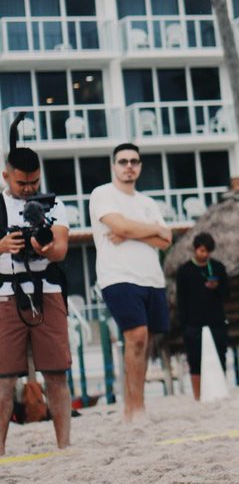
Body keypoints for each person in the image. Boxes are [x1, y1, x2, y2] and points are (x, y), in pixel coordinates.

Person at [89, 143, 172, 422]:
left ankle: (134, 406)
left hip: (151, 277)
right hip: (117, 275)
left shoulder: (147, 203)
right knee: (135, 336)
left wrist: (131, 231)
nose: (128, 166)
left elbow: (166, 239)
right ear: (114, 165)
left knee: (144, 343)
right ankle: (134, 408)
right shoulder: (103, 194)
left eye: (134, 161)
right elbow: (121, 227)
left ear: (140, 166)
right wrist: (147, 229)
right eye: (122, 161)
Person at [0, 143, 71, 455]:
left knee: (57, 373)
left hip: (48, 292)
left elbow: (62, 249)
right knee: (3, 379)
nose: (29, 189)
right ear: (6, 176)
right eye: (22, 183)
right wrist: (2, 245)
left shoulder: (54, 205)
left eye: (34, 182)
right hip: (5, 295)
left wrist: (45, 248)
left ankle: (64, 446)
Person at [176, 232, 229, 400]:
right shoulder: (184, 271)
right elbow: (180, 299)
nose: (204, 254)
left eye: (207, 251)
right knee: (194, 361)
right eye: (201, 250)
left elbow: (227, 293)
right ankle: (197, 397)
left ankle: (220, 391)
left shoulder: (218, 267)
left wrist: (217, 286)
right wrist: (184, 326)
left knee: (220, 357)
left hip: (216, 321)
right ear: (195, 249)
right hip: (193, 323)